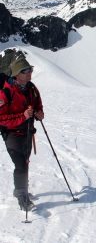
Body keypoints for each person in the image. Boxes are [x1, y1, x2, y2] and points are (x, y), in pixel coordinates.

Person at [0, 57, 44, 211]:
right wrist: (23, 116)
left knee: (25, 162)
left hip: (27, 132)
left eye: (30, 70)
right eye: (25, 71)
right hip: (12, 134)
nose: (29, 73)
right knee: (20, 165)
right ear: (17, 75)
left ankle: (20, 189)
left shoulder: (32, 88)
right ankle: (21, 196)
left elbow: (38, 104)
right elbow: (1, 118)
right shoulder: (5, 93)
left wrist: (39, 113)